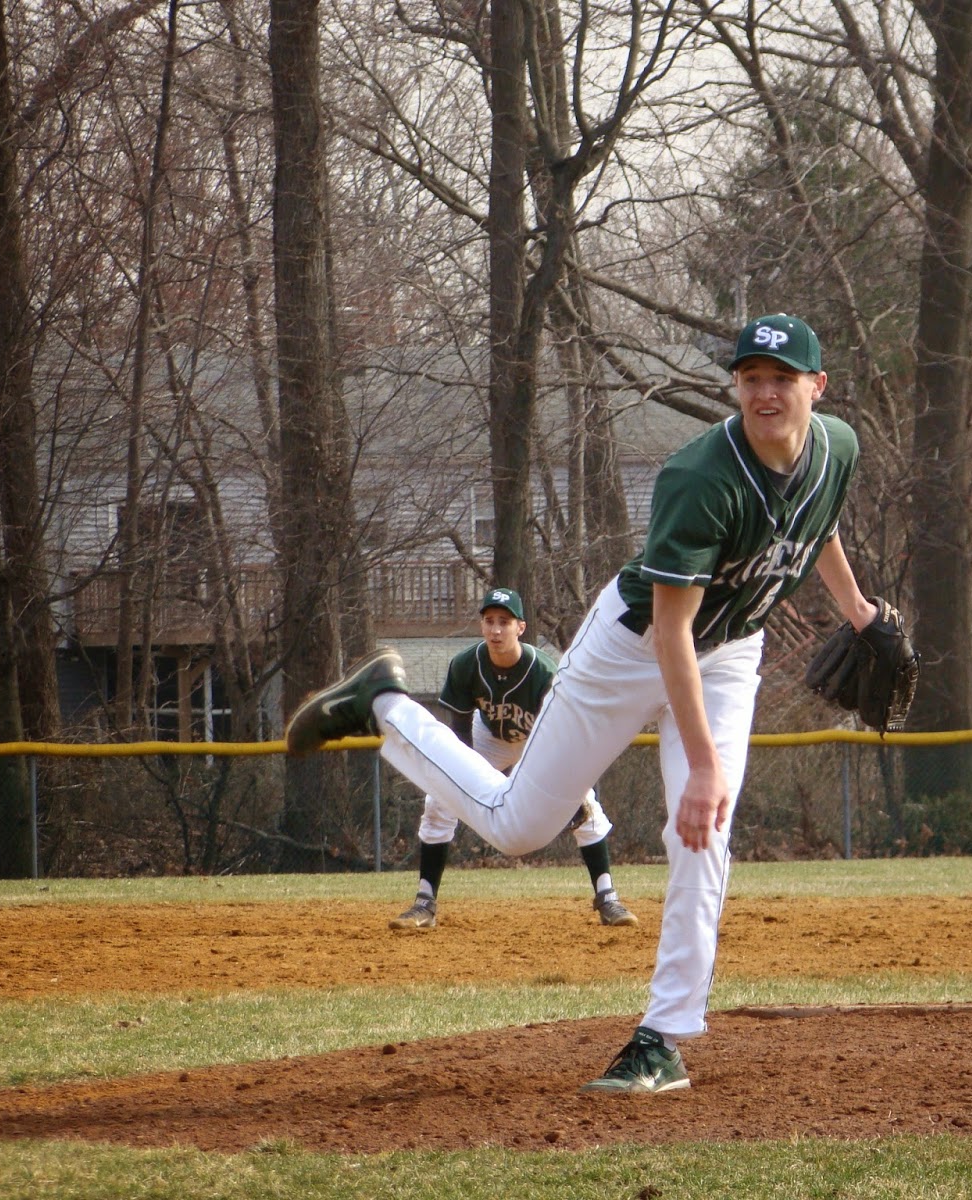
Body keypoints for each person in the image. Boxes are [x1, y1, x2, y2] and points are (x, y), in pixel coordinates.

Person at [287, 313, 880, 1094]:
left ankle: (662, 1039)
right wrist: (702, 763)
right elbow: (672, 635)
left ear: (816, 387)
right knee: (518, 827)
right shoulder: (701, 479)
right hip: (631, 650)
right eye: (750, 379)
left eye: (782, 379)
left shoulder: (837, 445)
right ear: (735, 386)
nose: (765, 393)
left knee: (702, 831)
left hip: (732, 653)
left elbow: (819, 524)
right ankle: (387, 704)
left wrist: (861, 612)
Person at [388, 586, 638, 930]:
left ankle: (608, 898)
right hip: (488, 736)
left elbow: (562, 738)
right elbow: (459, 736)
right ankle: (424, 903)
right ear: (481, 626)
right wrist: (462, 780)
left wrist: (573, 786)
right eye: (489, 621)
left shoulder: (542, 672)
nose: (495, 629)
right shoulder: (465, 665)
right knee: (438, 800)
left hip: (541, 739)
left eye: (504, 622)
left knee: (586, 804)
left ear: (520, 627)